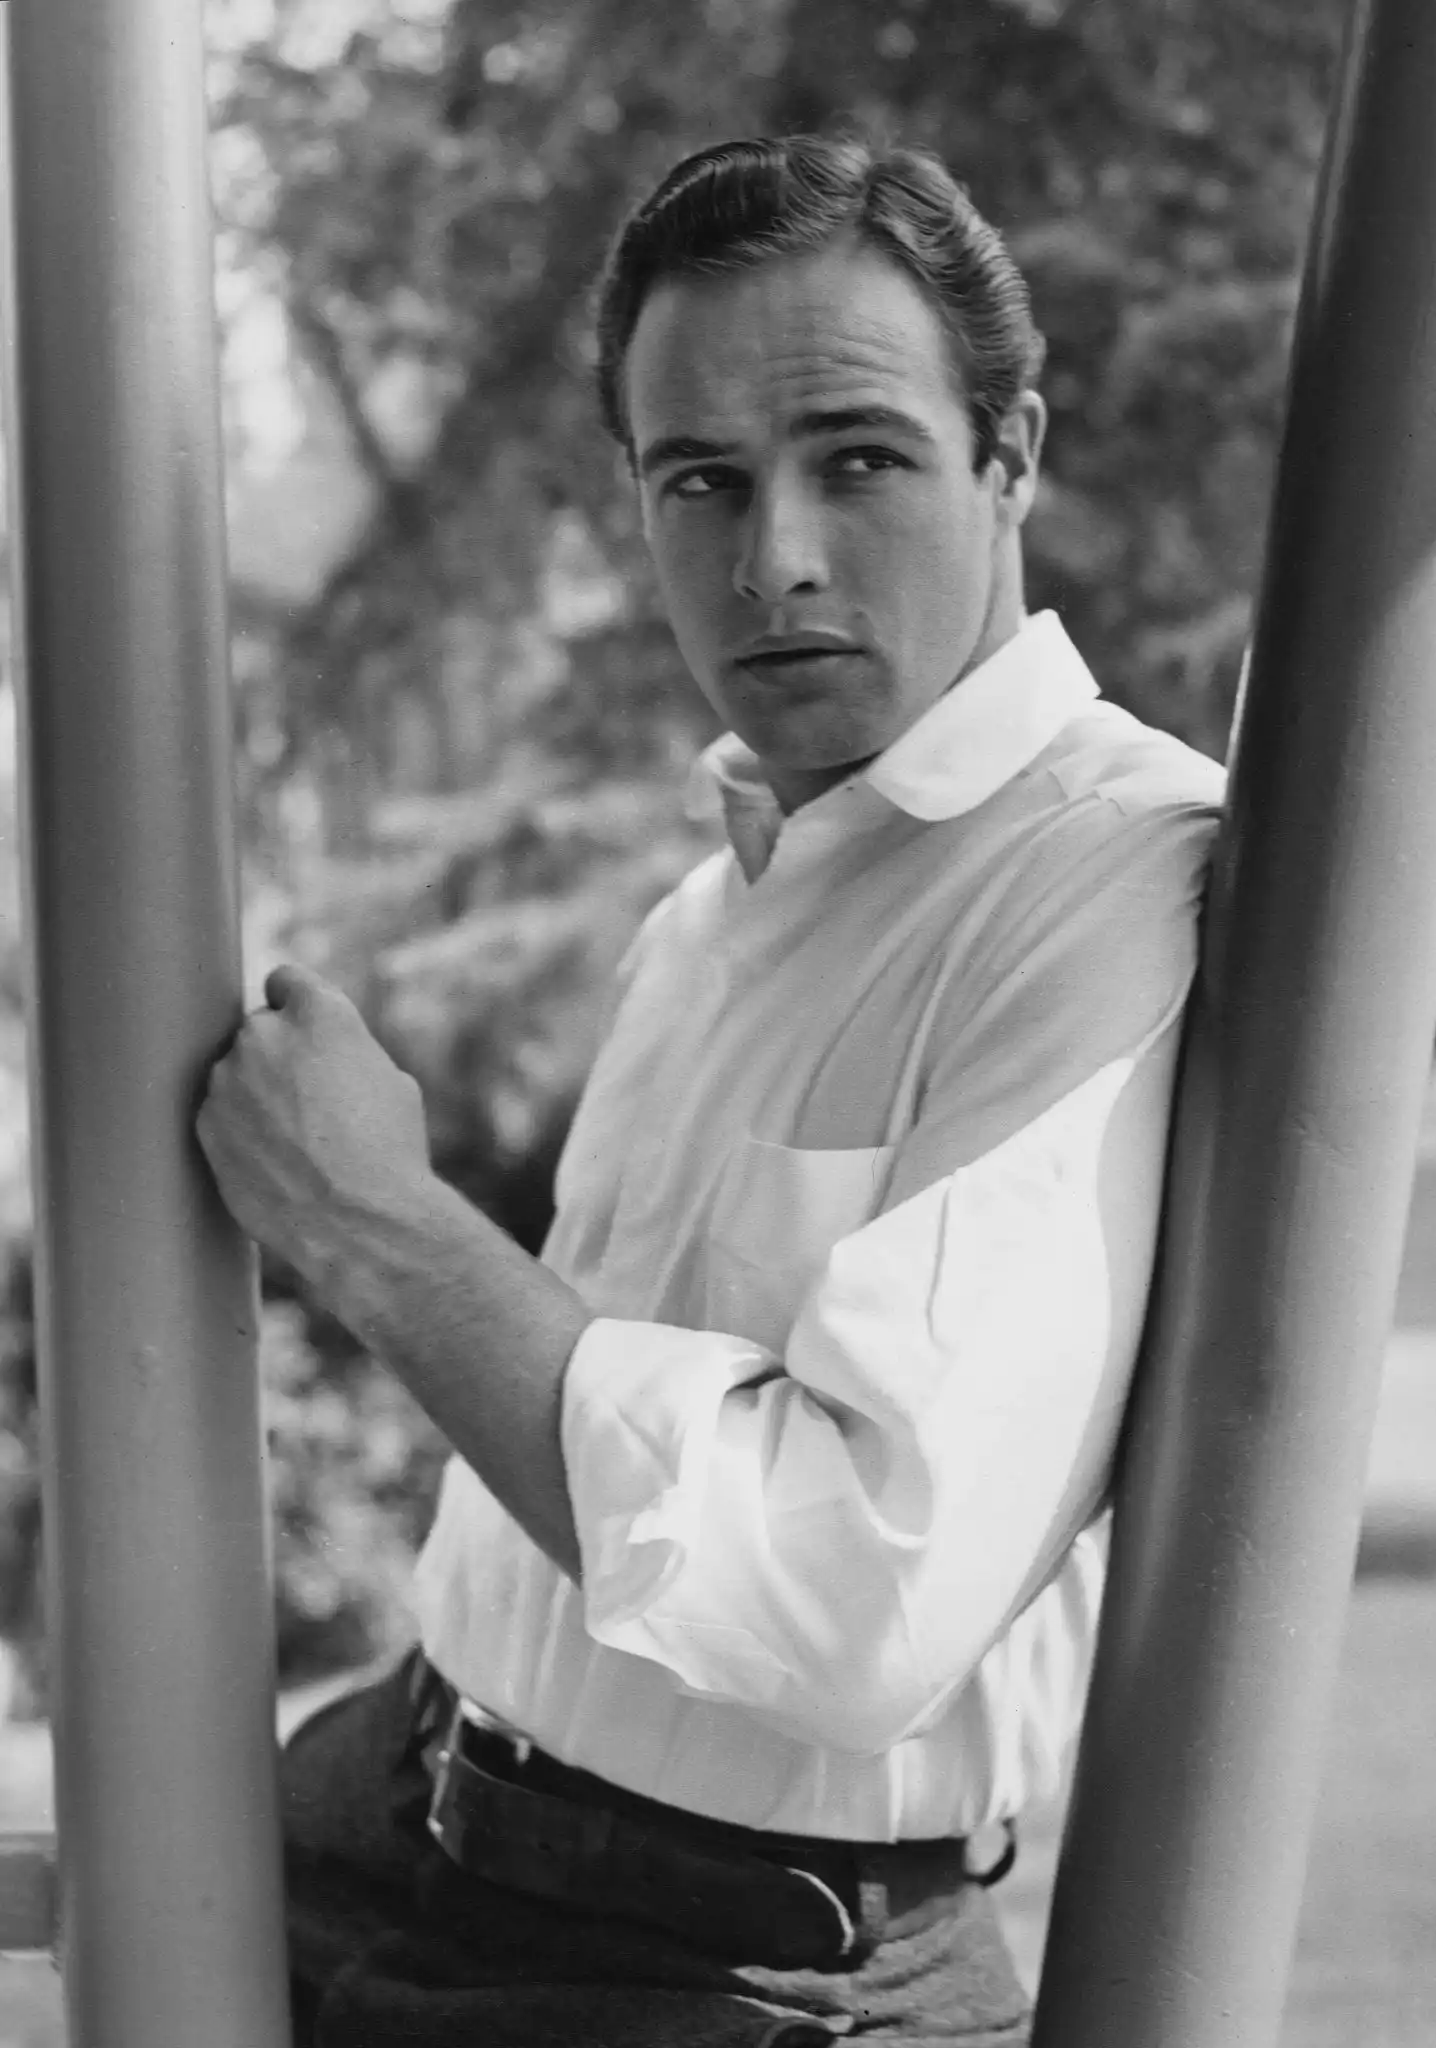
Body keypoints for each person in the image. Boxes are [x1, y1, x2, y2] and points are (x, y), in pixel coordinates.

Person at [197, 134, 1225, 2047]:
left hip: (718, 1961)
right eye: (702, 481)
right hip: (403, 1789)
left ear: (1009, 454)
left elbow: (854, 1598)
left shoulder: (1116, 876)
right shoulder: (714, 898)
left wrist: (376, 1228)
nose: (776, 561)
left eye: (860, 457)